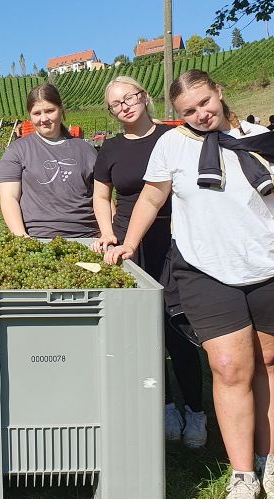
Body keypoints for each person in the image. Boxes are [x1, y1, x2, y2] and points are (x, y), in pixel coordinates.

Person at [106, 69, 274, 499]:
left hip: (270, 264)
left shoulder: (263, 140)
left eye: (204, 103)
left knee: (268, 361)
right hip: (204, 269)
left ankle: (270, 462)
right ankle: (243, 474)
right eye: (187, 111)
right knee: (230, 367)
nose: (200, 114)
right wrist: (128, 243)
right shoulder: (172, 145)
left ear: (220, 91)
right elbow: (152, 197)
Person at [92, 76, 206, 447]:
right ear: (111, 112)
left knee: (180, 330)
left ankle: (195, 410)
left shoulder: (174, 137)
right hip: (131, 246)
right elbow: (100, 196)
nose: (124, 105)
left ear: (144, 96)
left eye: (129, 97)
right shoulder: (109, 149)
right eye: (115, 104)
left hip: (175, 243)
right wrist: (108, 232)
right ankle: (165, 406)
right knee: (144, 332)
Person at [0, 84, 98, 238]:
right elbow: (8, 197)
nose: (43, 119)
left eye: (50, 110)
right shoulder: (17, 151)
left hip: (87, 236)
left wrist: (108, 234)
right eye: (37, 113)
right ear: (29, 115)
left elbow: (102, 197)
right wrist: (22, 237)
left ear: (61, 109)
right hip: (38, 237)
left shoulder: (86, 150)